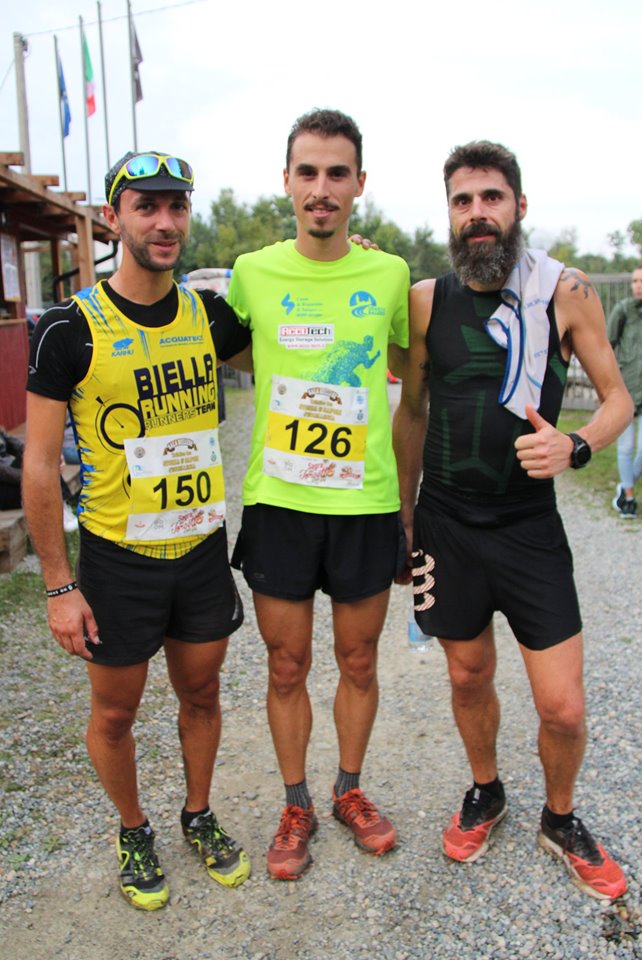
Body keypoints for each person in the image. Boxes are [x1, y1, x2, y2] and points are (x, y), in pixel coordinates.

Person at [393, 140, 633, 901]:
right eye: (463, 202)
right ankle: (486, 790)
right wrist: (404, 518)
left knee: (563, 705)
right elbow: (411, 408)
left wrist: (579, 444)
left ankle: (560, 817)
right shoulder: (427, 299)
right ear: (451, 216)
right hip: (447, 526)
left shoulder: (564, 291)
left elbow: (620, 398)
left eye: (491, 198)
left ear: (519, 207)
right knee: (469, 674)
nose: (478, 215)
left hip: (530, 527)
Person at [22, 151, 253, 910]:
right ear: (115, 217)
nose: (164, 223)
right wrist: (60, 586)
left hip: (199, 550)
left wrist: (350, 267)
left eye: (176, 207)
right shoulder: (69, 327)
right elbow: (41, 466)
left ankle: (198, 813)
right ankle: (133, 827)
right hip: (120, 560)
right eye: (146, 207)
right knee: (116, 712)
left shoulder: (210, 315)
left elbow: (295, 341)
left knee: (202, 692)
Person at [227, 109, 409, 879]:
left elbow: (413, 365)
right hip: (281, 505)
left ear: (359, 185)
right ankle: (296, 801)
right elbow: (229, 347)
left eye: (338, 173)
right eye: (309, 172)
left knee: (359, 661)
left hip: (364, 505)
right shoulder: (251, 273)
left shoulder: (390, 274)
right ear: (288, 183)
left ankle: (349, 789)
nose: (323, 188)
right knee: (285, 665)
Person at [607, 266, 642, 518]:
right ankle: (629, 498)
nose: (638, 285)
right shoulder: (623, 310)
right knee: (626, 446)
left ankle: (625, 485)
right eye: (635, 281)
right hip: (626, 389)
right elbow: (606, 347)